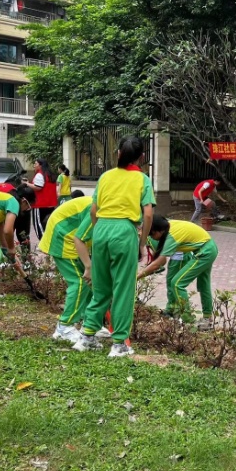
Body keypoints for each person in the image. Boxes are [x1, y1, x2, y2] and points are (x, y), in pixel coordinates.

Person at [73, 136, 155, 358]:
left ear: (118, 153)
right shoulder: (142, 179)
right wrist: (142, 241)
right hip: (124, 230)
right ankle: (119, 344)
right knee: (123, 289)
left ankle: (87, 336)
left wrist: (101, 231)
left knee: (101, 286)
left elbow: (93, 211)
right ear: (142, 157)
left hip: (101, 228)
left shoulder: (105, 176)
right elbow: (148, 214)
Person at [137, 215, 218, 329]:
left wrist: (137, 276)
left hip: (204, 253)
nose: (152, 238)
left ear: (158, 231)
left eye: (152, 234)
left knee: (176, 283)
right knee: (203, 285)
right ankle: (207, 319)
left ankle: (188, 320)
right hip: (209, 248)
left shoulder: (171, 236)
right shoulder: (168, 226)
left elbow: (159, 262)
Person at [38, 193, 95, 343]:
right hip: (64, 237)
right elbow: (80, 238)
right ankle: (65, 326)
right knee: (80, 282)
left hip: (74, 238)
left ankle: (89, 323)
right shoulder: (99, 210)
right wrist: (88, 266)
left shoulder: (110, 211)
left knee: (90, 283)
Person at [25, 159, 58, 240]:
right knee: (48, 225)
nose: (34, 165)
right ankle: (49, 242)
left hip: (40, 204)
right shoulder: (50, 175)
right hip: (51, 204)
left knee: (38, 225)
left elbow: (38, 187)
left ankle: (44, 244)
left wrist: (27, 184)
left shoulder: (40, 174)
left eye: (35, 163)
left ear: (40, 165)